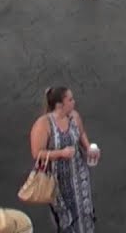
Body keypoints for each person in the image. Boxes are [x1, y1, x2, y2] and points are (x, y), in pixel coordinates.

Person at [29, 87, 98, 233]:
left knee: (84, 208)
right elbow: (37, 153)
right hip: (57, 180)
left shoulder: (74, 116)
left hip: (78, 174)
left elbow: (81, 133)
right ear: (60, 105)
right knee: (64, 215)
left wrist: (89, 148)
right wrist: (61, 153)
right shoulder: (43, 124)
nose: (74, 102)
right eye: (70, 100)